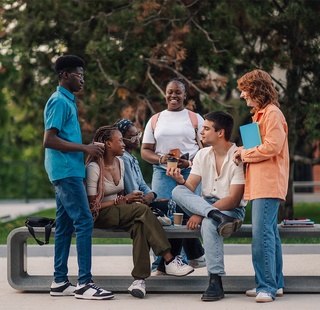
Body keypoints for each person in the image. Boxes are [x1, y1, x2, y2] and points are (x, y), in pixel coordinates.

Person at [85, 125, 194, 299]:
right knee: (141, 210)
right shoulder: (94, 168)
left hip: (119, 210)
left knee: (140, 225)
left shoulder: (120, 162)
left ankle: (139, 281)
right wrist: (122, 201)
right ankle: (169, 259)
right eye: (119, 140)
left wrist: (128, 199)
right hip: (100, 214)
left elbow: (124, 195)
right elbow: (92, 207)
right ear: (107, 143)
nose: (123, 144)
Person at [43, 55, 113, 300]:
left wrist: (87, 146)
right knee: (84, 221)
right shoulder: (59, 101)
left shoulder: (68, 101)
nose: (82, 79)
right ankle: (85, 283)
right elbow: (49, 140)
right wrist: (86, 149)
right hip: (66, 172)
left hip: (69, 170)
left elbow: (64, 138)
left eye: (83, 74)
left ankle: (60, 281)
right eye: (78, 74)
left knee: (64, 226)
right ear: (64, 75)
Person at [167, 111, 246, 302]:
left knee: (210, 224)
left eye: (206, 128)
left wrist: (202, 215)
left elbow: (234, 199)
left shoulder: (239, 157)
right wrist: (180, 180)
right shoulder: (202, 155)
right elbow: (190, 187)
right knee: (177, 191)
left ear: (220, 132)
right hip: (207, 208)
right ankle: (214, 215)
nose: (201, 132)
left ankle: (215, 281)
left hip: (231, 211)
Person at [233, 69, 289, 303]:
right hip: (259, 184)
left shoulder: (272, 114)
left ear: (256, 89)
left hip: (268, 184)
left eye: (245, 90)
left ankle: (265, 286)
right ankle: (275, 284)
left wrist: (244, 153)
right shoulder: (260, 115)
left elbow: (272, 147)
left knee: (261, 236)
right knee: (270, 234)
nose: (243, 95)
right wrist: (243, 154)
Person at [141, 77, 205, 269]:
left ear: (185, 95)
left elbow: (208, 147)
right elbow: (145, 150)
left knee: (185, 215)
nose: (173, 95)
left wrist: (190, 162)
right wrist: (161, 159)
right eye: (170, 91)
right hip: (162, 173)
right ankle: (160, 261)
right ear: (165, 94)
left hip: (189, 171)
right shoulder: (156, 119)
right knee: (162, 216)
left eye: (178, 92)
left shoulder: (195, 118)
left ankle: (183, 260)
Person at [114, 118, 192, 275]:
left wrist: (153, 195)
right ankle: (176, 261)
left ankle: (168, 264)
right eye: (133, 136)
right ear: (122, 139)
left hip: (144, 201)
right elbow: (133, 189)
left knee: (177, 208)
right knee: (177, 211)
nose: (138, 139)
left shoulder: (132, 158)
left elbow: (143, 185)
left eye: (138, 134)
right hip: (134, 205)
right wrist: (149, 197)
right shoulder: (122, 159)